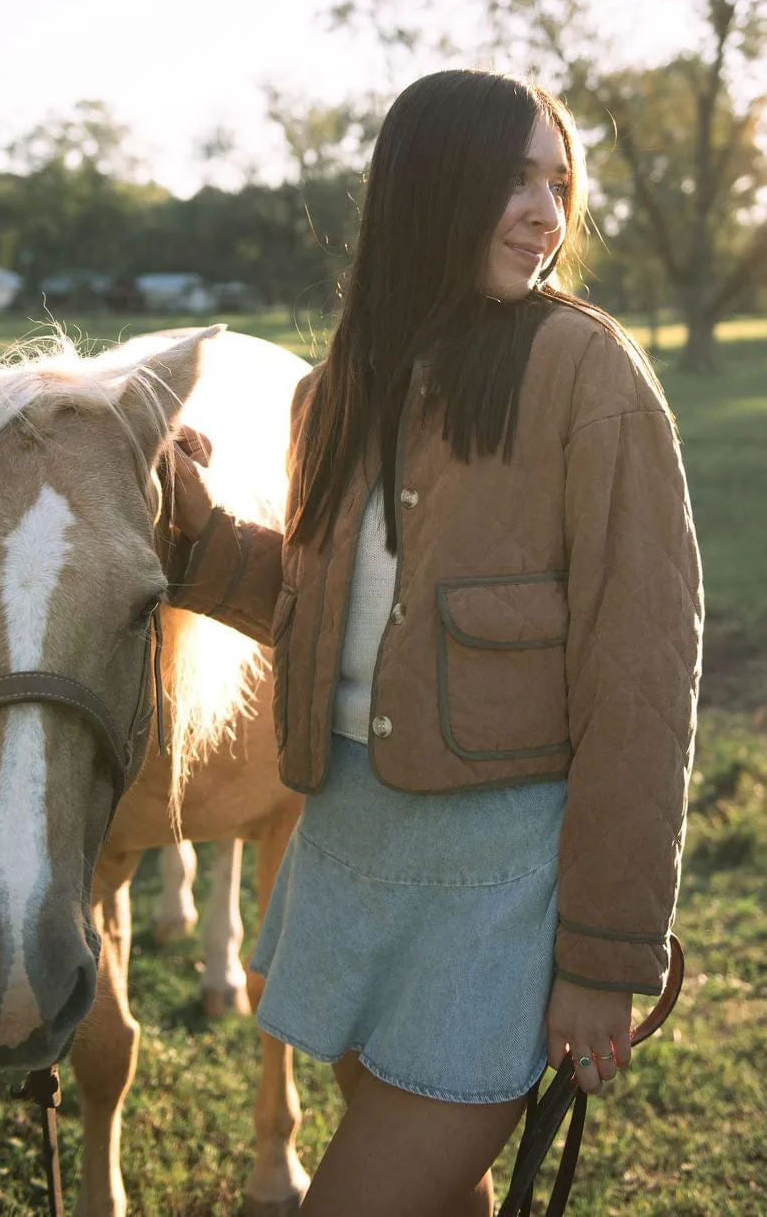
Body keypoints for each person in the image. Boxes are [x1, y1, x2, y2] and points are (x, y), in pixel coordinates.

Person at [169, 69, 702, 1217]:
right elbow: (327, 617)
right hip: (352, 851)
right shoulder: (334, 394)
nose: (544, 212)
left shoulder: (587, 374)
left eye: (556, 183)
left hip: (498, 882)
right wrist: (193, 536)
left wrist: (608, 953)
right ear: (421, 190)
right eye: (510, 179)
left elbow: (643, 684)